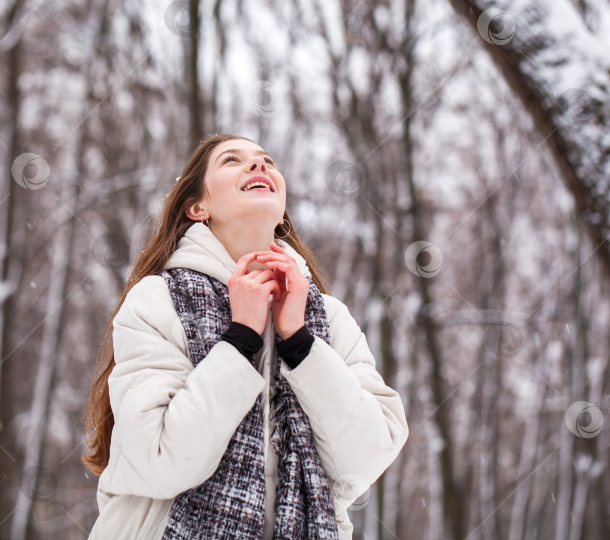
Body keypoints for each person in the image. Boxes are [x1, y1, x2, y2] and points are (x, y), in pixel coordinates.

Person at [83, 133, 409, 539]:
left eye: (267, 160)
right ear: (197, 206)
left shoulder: (330, 317)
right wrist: (240, 341)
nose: (259, 166)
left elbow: (365, 459)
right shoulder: (156, 300)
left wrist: (300, 344)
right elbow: (160, 460)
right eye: (232, 160)